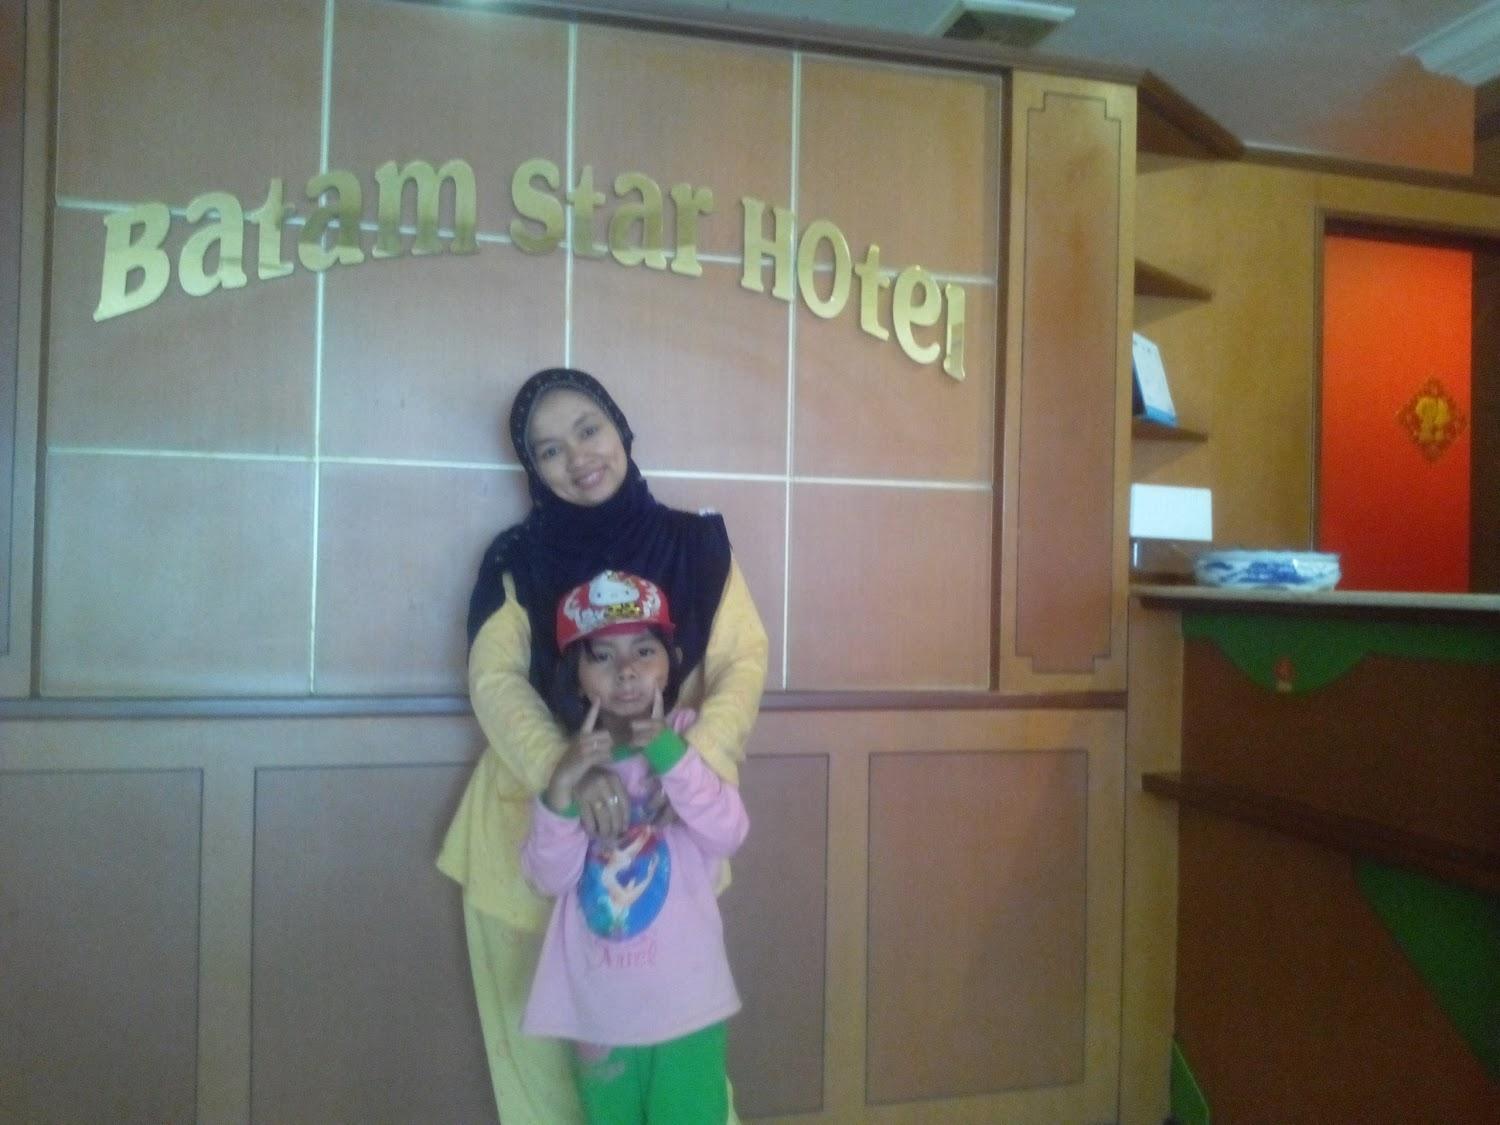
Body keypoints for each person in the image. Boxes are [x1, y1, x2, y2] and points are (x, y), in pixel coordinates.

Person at [437, 367, 767, 1124]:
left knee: (686, 1078)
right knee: (557, 1090)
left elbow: (741, 660)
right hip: (529, 840)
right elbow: (493, 677)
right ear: (533, 468)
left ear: (620, 428)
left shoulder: (697, 544)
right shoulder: (515, 557)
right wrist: (567, 774)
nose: (577, 456)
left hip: (666, 832)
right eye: (548, 449)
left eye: (588, 429)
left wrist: (693, 762)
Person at [521, 569, 747, 1124]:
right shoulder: (574, 762)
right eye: (602, 656)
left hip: (688, 1005)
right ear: (576, 678)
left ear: (670, 663)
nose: (625, 670)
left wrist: (672, 758)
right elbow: (548, 877)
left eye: (644, 651)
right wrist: (561, 791)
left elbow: (729, 831)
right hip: (598, 1015)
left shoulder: (691, 738)